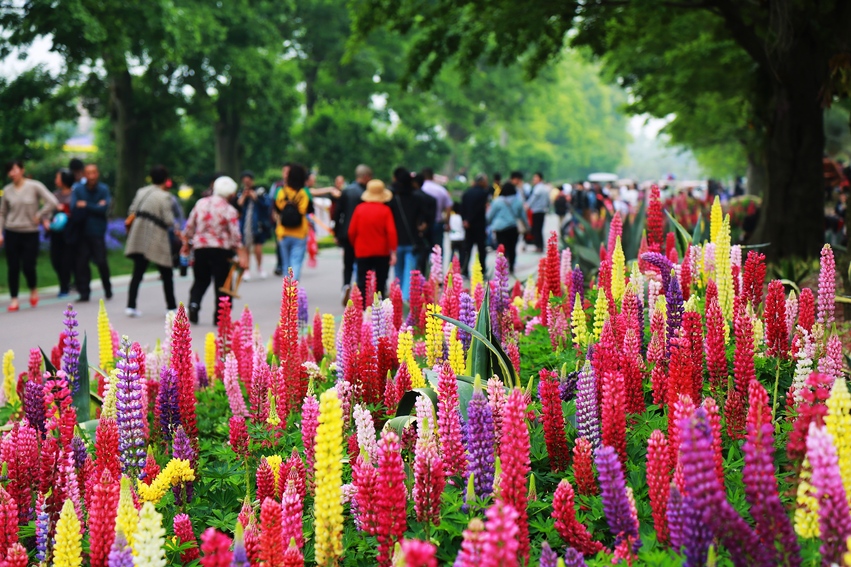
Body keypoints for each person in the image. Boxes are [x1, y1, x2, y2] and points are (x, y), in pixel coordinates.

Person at [183, 176, 247, 325]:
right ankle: (220, 317)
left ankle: (194, 303)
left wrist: (187, 242)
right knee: (222, 284)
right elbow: (236, 235)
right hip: (221, 250)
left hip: (201, 248)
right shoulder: (229, 210)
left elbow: (190, 226)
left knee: (200, 280)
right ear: (231, 194)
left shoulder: (200, 203)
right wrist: (241, 254)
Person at [0, 160, 58, 311]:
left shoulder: (34, 186)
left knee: (28, 266)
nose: (12, 174)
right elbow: (2, 213)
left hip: (30, 232)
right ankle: (14, 300)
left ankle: (33, 288)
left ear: (22, 170)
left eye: (14, 170)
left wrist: (39, 215)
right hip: (12, 231)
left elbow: (52, 201)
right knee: (13, 267)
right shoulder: (7, 190)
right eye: (9, 171)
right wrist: (0, 232)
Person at [124, 165, 178, 317]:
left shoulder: (141, 192)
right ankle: (171, 307)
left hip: (139, 234)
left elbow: (131, 210)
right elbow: (168, 220)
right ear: (165, 179)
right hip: (156, 237)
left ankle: (130, 306)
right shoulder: (164, 196)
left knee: (138, 272)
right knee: (166, 272)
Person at [348, 179, 397, 308]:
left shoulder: (359, 209)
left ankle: (363, 308)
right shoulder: (386, 210)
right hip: (382, 252)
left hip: (362, 251)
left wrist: (356, 245)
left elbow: (351, 231)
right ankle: (379, 308)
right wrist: (393, 251)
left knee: (362, 281)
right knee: (381, 281)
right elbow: (391, 232)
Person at [71, 163, 112, 302]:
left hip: (97, 231)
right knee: (82, 263)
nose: (91, 176)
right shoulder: (78, 189)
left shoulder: (103, 189)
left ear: (98, 173)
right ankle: (84, 292)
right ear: (84, 175)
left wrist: (86, 205)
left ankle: (107, 288)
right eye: (88, 173)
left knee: (101, 261)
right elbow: (74, 207)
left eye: (94, 172)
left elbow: (103, 209)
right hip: (82, 232)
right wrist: (95, 206)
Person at [388, 167, 429, 300]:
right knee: (409, 275)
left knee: (398, 274)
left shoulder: (392, 199)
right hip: (412, 241)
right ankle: (405, 302)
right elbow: (424, 218)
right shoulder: (417, 197)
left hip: (396, 242)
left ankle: (397, 300)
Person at [333, 164, 371, 304]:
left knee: (347, 263)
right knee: (362, 264)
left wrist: (336, 232)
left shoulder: (347, 191)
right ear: (366, 176)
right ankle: (358, 291)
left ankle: (346, 286)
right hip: (362, 234)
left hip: (345, 233)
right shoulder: (367, 193)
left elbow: (338, 214)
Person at [275, 164, 310, 281]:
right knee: (296, 262)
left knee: (286, 264)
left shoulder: (281, 191)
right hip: (299, 233)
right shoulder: (303, 193)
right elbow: (304, 210)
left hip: (283, 232)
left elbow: (278, 209)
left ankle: (287, 292)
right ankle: (293, 290)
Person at [236, 170, 271, 280]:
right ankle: (247, 270)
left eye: (248, 181)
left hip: (258, 224)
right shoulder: (240, 192)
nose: (247, 183)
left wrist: (255, 197)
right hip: (245, 224)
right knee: (246, 247)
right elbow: (238, 205)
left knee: (258, 249)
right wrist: (244, 196)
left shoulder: (260, 191)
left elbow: (267, 205)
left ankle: (260, 267)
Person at [487, 182, 528, 274]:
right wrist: (527, 227)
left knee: (502, 248)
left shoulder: (497, 201)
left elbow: (490, 216)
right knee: (512, 248)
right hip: (513, 228)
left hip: (500, 229)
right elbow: (523, 216)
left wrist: (488, 224)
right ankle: (511, 266)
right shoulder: (518, 201)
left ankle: (501, 268)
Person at [49, 168, 76, 297]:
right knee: (55, 260)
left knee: (66, 260)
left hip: (70, 233)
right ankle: (65, 282)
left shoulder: (76, 194)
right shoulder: (54, 196)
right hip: (56, 234)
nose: (55, 180)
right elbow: (47, 212)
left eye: (57, 177)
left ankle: (64, 286)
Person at [460, 173, 489, 278]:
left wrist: (465, 220)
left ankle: (463, 270)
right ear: (481, 181)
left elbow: (462, 208)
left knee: (467, 248)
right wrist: (469, 220)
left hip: (468, 226)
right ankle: (482, 271)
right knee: (481, 249)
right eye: (485, 180)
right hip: (479, 225)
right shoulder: (483, 193)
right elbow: (478, 209)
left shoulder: (467, 192)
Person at [420, 167, 452, 258]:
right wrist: (447, 222)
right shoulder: (441, 190)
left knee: (423, 250)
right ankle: (437, 270)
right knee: (438, 250)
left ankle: (422, 270)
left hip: (422, 225)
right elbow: (449, 207)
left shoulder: (421, 189)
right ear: (432, 176)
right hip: (437, 223)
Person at [270, 163, 291, 275]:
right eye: (285, 172)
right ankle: (280, 264)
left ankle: (288, 266)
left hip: (293, 220)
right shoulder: (278, 186)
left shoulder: (297, 186)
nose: (286, 174)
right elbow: (273, 203)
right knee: (280, 243)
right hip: (280, 219)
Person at [526, 172, 550, 252]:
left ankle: (538, 246)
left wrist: (527, 206)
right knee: (539, 229)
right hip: (542, 211)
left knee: (536, 229)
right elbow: (547, 201)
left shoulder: (537, 188)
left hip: (536, 211)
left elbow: (533, 199)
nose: (534, 180)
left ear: (540, 179)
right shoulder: (545, 188)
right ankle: (540, 245)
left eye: (535, 178)